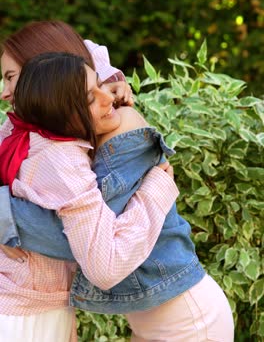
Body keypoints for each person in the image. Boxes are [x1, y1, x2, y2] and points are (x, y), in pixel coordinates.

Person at [0, 25, 234, 341]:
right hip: (152, 320)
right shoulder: (33, 136)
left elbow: (80, 244)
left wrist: (159, 186)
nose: (5, 91)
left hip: (189, 321)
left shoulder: (110, 134)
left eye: (11, 77)